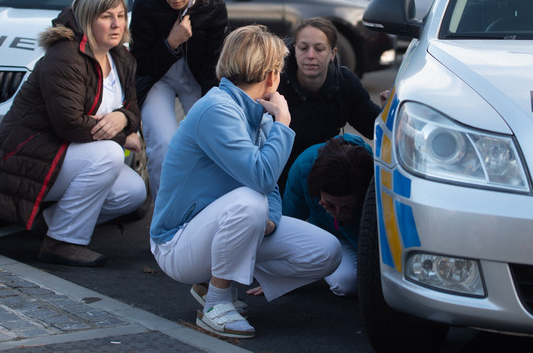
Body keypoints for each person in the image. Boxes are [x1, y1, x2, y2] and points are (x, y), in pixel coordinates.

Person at [149, 25, 343, 339]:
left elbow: (271, 187)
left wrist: (271, 219)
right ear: (271, 75)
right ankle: (216, 302)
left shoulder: (256, 113)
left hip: (219, 231)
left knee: (326, 251)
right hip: (176, 244)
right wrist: (283, 122)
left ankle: (213, 280)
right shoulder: (217, 109)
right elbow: (262, 176)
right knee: (250, 202)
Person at [0, 0, 147, 267]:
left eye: (121, 15)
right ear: (87, 19)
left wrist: (123, 118)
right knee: (110, 155)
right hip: (31, 157)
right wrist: (121, 136)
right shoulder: (65, 56)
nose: (117, 24)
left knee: (132, 192)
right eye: (106, 16)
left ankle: (51, 223)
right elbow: (69, 123)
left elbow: (133, 108)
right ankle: (63, 242)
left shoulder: (121, 58)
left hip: (72, 156)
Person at [129, 0, 228, 203]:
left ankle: (207, 208)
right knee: (162, 146)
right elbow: (141, 65)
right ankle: (164, 218)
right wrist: (170, 43)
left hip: (197, 78)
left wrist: (214, 106)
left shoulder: (212, 5)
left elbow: (213, 65)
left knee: (210, 141)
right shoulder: (145, 6)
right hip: (157, 78)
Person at [276, 17, 381, 191]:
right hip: (278, 181)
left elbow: (375, 127)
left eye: (319, 49)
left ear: (332, 54)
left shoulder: (344, 82)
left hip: (323, 182)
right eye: (303, 48)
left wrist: (391, 111)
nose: (310, 56)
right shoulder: (275, 81)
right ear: (294, 50)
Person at [281, 133, 373, 297]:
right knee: (345, 282)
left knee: (360, 281)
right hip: (322, 233)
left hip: (361, 234)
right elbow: (289, 219)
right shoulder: (304, 167)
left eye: (346, 205)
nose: (337, 212)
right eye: (330, 204)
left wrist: (349, 221)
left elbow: (374, 243)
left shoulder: (372, 175)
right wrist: (280, 277)